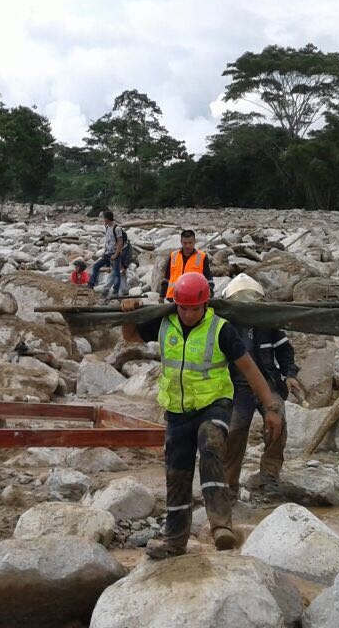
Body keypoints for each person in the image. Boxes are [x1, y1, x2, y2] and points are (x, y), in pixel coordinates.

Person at [118, 272, 283, 559]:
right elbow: (130, 335)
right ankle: (175, 541)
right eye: (184, 308)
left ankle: (221, 525)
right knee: (177, 473)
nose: (190, 313)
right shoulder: (164, 321)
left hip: (214, 403)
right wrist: (128, 313)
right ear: (176, 304)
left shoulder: (221, 329)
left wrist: (270, 408)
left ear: (206, 305)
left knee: (211, 444)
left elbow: (249, 368)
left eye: (196, 308)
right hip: (178, 410)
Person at [219, 274, 302, 500]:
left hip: (268, 382)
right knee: (234, 430)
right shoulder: (225, 325)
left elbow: (285, 351)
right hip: (236, 387)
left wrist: (290, 374)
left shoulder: (268, 323)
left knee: (278, 425)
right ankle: (229, 485)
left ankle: (270, 479)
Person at [160, 229, 214, 301]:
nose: (187, 246)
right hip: (173, 297)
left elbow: (208, 278)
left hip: (193, 297)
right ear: (181, 242)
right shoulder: (173, 256)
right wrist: (161, 296)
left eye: (190, 243)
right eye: (185, 243)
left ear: (195, 242)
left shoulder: (202, 257)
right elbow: (167, 278)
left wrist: (210, 292)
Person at [87, 211, 131, 297]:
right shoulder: (107, 227)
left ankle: (115, 291)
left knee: (116, 273)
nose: (103, 220)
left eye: (104, 218)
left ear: (107, 218)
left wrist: (116, 254)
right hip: (107, 254)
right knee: (96, 266)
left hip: (114, 254)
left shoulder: (117, 228)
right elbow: (107, 241)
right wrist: (104, 252)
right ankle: (90, 286)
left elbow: (120, 242)